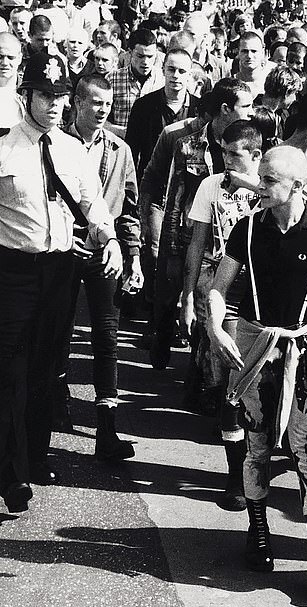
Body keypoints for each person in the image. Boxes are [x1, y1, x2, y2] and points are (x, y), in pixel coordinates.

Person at [209, 145, 307, 588]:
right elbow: (219, 288)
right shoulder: (247, 229)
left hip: (304, 350)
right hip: (256, 347)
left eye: (270, 179)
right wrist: (217, 328)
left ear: (297, 184)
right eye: (262, 176)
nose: (261, 184)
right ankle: (259, 533)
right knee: (257, 445)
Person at [0, 53, 121, 512]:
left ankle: (32, 458)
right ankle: (10, 475)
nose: (54, 104)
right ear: (24, 96)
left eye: (60, 96)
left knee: (46, 367)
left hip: (60, 272)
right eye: (45, 95)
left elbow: (94, 207)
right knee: (9, 370)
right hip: (11, 269)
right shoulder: (4, 147)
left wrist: (109, 241)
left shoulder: (72, 151)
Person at [181, 120, 263, 511]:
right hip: (222, 288)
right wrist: (186, 296)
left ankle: (256, 466)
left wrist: (248, 186)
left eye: (236, 155)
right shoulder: (210, 186)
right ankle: (235, 477)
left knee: (258, 384)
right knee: (231, 379)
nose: (227, 162)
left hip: (262, 293)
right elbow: (197, 242)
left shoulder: (269, 186)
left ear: (256, 156)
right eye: (224, 153)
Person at [59, 74, 142, 464]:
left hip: (102, 254)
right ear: (75, 102)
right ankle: (52, 409)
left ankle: (106, 430)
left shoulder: (120, 150)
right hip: (59, 251)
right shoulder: (55, 143)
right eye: (94, 102)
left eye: (107, 104)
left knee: (107, 338)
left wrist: (134, 256)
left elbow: (128, 210)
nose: (101, 109)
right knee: (55, 333)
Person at [154, 79, 254, 371]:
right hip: (196, 241)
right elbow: (174, 200)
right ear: (225, 109)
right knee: (194, 316)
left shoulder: (254, 145)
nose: (250, 111)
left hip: (235, 249)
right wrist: (171, 251)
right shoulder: (188, 146)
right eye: (245, 106)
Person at [125, 48, 198, 182]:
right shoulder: (143, 106)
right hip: (151, 183)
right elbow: (131, 152)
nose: (176, 75)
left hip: (186, 186)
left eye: (181, 71)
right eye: (171, 69)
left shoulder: (198, 108)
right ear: (163, 70)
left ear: (189, 74)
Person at [107, 28, 164, 137]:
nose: (145, 62)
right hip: (120, 144)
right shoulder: (113, 78)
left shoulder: (162, 79)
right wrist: (121, 132)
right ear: (130, 53)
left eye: (150, 56)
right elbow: (101, 120)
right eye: (140, 56)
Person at [0, 32, 24, 129]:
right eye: (0, 57)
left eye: (10, 58)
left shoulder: (28, 92)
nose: (5, 63)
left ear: (19, 58)